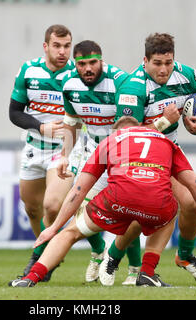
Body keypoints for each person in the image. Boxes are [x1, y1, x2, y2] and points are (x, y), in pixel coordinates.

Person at [9, 116, 196, 288]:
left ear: (116, 132)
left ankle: (32, 277)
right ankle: (147, 273)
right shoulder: (166, 142)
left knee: (70, 233)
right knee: (169, 208)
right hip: (156, 206)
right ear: (140, 126)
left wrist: (54, 228)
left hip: (116, 201)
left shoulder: (110, 141)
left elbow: (79, 189)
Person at [111, 32, 196, 282]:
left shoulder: (185, 74)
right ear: (144, 60)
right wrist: (164, 121)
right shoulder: (133, 87)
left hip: (169, 151)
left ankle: (185, 256)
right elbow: (124, 136)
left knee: (190, 204)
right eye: (157, 63)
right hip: (137, 157)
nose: (164, 69)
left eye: (168, 62)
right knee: (153, 210)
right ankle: (113, 256)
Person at [8, 25, 105, 281]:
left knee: (53, 206)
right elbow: (14, 113)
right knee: (31, 208)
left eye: (66, 46)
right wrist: (40, 126)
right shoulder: (29, 71)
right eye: (57, 46)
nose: (63, 52)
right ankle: (98, 247)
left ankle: (40, 260)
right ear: (45, 47)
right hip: (33, 148)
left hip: (66, 151)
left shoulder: (79, 74)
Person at [57, 40, 143, 285]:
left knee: (128, 212)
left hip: (123, 151)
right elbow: (72, 121)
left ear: (101, 60)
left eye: (93, 62)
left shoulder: (120, 82)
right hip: (95, 151)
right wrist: (65, 155)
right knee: (79, 210)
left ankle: (135, 271)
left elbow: (132, 122)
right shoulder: (69, 84)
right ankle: (98, 253)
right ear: (75, 64)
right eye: (81, 63)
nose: (87, 68)